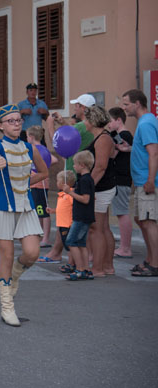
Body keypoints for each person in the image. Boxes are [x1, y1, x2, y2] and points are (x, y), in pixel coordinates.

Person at [0, 104, 48, 326]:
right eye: (10, 121)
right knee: (7, 256)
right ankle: (7, 307)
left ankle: (16, 274)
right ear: (0, 125)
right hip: (2, 208)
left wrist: (22, 183)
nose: (16, 124)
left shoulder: (30, 148)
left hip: (26, 206)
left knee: (32, 253)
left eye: (18, 120)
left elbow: (44, 172)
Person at [120, 89, 158, 276]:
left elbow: (153, 153)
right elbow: (145, 150)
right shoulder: (145, 122)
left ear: (137, 103)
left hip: (147, 182)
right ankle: (150, 259)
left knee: (149, 221)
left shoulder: (146, 124)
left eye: (126, 104)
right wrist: (130, 148)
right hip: (142, 181)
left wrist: (150, 180)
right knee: (141, 219)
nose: (124, 107)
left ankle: (155, 264)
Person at [84, 105, 116, 277]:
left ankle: (98, 268)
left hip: (101, 188)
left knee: (96, 229)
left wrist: (89, 188)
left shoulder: (103, 138)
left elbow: (100, 167)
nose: (84, 122)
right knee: (103, 228)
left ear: (92, 121)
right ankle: (107, 266)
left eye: (85, 119)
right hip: (103, 187)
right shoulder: (102, 137)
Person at [61, 150, 96, 280]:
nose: (74, 166)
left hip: (81, 216)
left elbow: (85, 199)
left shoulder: (84, 180)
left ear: (82, 165)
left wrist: (70, 192)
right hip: (85, 216)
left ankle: (80, 269)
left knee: (71, 241)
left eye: (75, 164)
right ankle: (86, 269)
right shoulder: (88, 179)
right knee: (81, 243)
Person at [46, 93, 95, 172]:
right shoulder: (92, 124)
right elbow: (73, 131)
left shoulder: (81, 126)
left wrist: (49, 124)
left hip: (73, 170)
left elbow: (57, 143)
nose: (74, 109)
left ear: (83, 108)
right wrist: (62, 122)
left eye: (76, 106)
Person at [108, 106, 133, 258]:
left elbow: (112, 155)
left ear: (118, 120)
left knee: (122, 212)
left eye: (110, 121)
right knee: (120, 212)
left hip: (121, 178)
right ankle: (124, 246)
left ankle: (125, 248)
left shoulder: (123, 135)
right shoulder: (118, 134)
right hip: (120, 178)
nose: (108, 124)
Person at [26, 126, 56, 246]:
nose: (27, 138)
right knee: (41, 210)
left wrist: (37, 171)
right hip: (40, 184)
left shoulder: (35, 150)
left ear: (32, 137)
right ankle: (41, 236)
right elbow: (53, 160)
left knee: (42, 211)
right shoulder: (43, 149)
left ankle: (44, 238)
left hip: (38, 185)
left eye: (27, 136)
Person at [40, 170, 75, 265]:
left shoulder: (69, 194)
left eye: (57, 181)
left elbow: (74, 206)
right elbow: (64, 209)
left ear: (64, 183)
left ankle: (72, 264)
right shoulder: (62, 194)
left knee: (69, 246)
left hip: (67, 224)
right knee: (67, 244)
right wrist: (53, 211)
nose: (56, 183)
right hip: (62, 224)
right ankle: (71, 264)